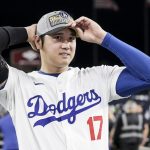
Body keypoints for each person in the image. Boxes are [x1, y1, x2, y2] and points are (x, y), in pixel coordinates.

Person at [0, 10, 150, 150]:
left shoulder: (98, 77)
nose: (66, 45)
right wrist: (25, 32)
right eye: (57, 37)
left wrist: (103, 38)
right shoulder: (16, 84)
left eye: (71, 38)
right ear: (38, 42)